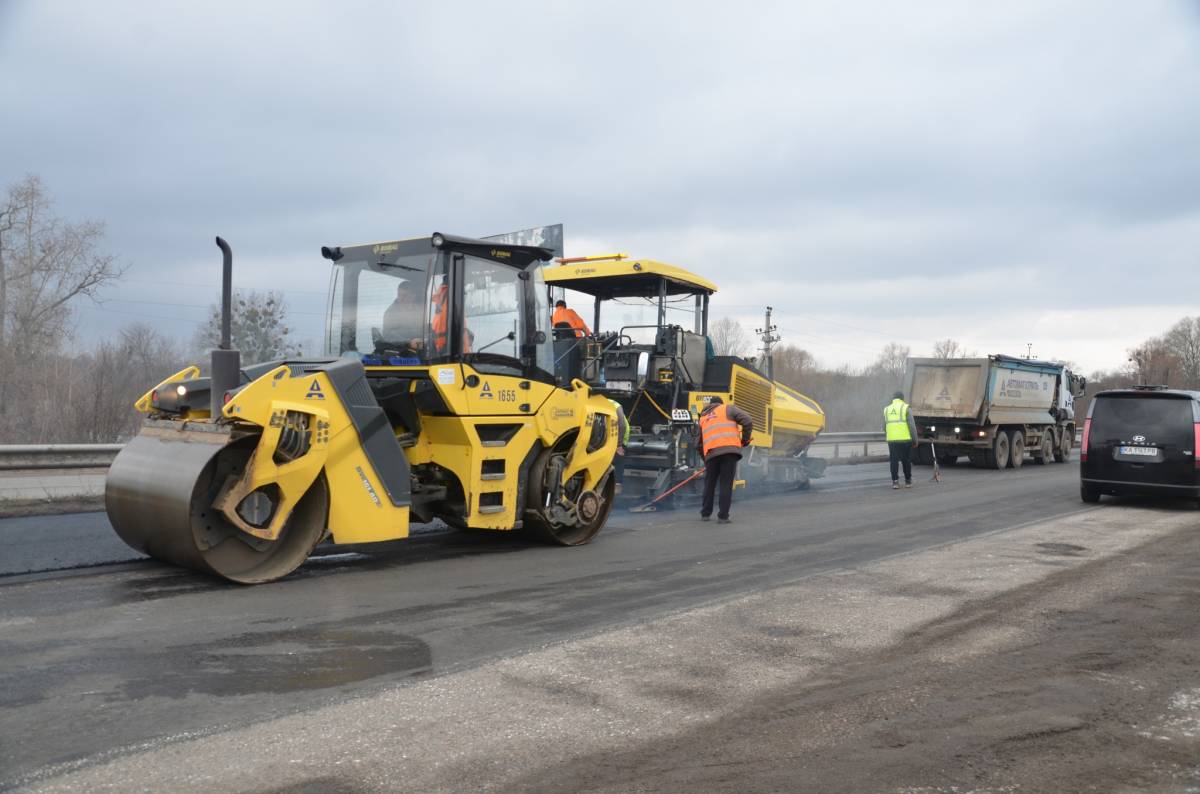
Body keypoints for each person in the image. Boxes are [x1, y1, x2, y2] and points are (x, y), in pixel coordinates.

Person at [697, 396, 754, 524]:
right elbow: (748, 420)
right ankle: (723, 517)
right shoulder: (727, 409)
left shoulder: (703, 417)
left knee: (709, 484)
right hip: (729, 452)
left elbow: (698, 444)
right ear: (720, 403)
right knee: (725, 484)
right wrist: (745, 440)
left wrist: (706, 458)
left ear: (710, 405)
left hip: (711, 454)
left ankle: (705, 514)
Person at [883, 390, 919, 489]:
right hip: (905, 439)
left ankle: (895, 482)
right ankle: (908, 481)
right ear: (902, 399)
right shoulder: (905, 408)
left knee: (893, 460)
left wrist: (890, 434)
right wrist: (915, 440)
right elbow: (912, 426)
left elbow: (884, 426)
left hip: (892, 440)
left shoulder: (887, 409)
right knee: (906, 460)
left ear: (893, 398)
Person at [381, 280, 426, 353]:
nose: (401, 298)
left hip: (420, 349)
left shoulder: (419, 310)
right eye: (399, 295)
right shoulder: (391, 313)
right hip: (400, 352)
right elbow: (388, 335)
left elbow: (425, 329)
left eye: (405, 296)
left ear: (413, 296)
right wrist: (408, 343)